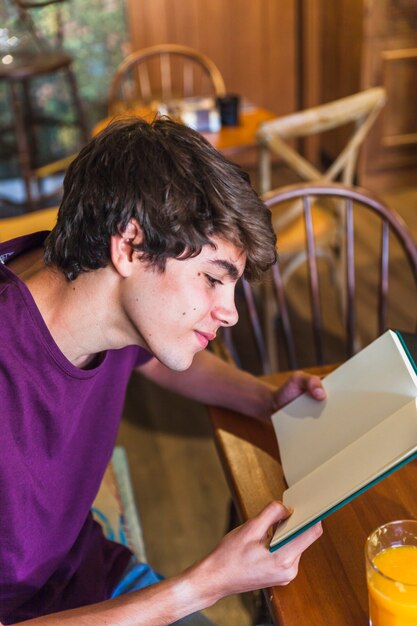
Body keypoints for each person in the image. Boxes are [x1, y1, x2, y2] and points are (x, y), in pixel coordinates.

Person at [0, 117, 325, 626]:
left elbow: (158, 364)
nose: (230, 311)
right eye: (213, 279)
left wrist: (263, 399)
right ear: (129, 245)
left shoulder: (88, 282)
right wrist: (204, 584)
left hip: (84, 575)